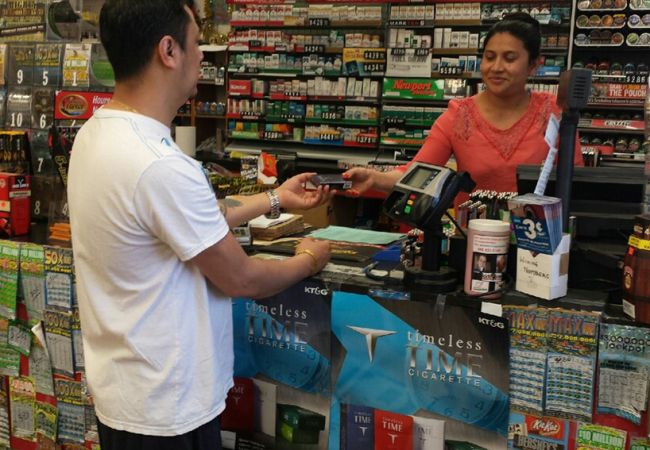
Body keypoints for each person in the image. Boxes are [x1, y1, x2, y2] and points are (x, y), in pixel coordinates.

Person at [67, 1, 333, 449]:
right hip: (168, 413)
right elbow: (242, 277)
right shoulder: (158, 164)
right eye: (196, 43)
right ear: (168, 50)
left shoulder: (96, 135)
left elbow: (186, 224)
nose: (203, 56)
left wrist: (274, 197)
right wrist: (310, 258)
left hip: (126, 397)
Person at [344, 13, 583, 197]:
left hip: (536, 242)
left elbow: (579, 182)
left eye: (509, 59)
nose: (496, 67)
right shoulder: (459, 115)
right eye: (489, 57)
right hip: (472, 240)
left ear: (534, 66)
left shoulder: (554, 113)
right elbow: (416, 174)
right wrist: (374, 178)